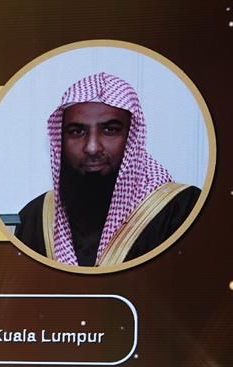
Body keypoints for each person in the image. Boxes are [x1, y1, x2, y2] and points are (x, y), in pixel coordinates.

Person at [15, 71, 202, 268]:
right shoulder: (36, 217)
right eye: (77, 131)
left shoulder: (180, 209)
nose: (92, 147)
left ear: (132, 137)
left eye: (110, 130)